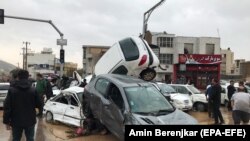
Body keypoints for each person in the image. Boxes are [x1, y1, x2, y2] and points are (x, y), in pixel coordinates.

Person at [3, 69, 42, 141]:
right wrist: (39, 113)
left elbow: (7, 107)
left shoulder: (12, 90)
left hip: (16, 121)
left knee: (16, 139)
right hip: (30, 120)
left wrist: (6, 121)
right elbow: (39, 104)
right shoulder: (33, 90)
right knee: (30, 138)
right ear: (28, 77)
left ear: (18, 77)